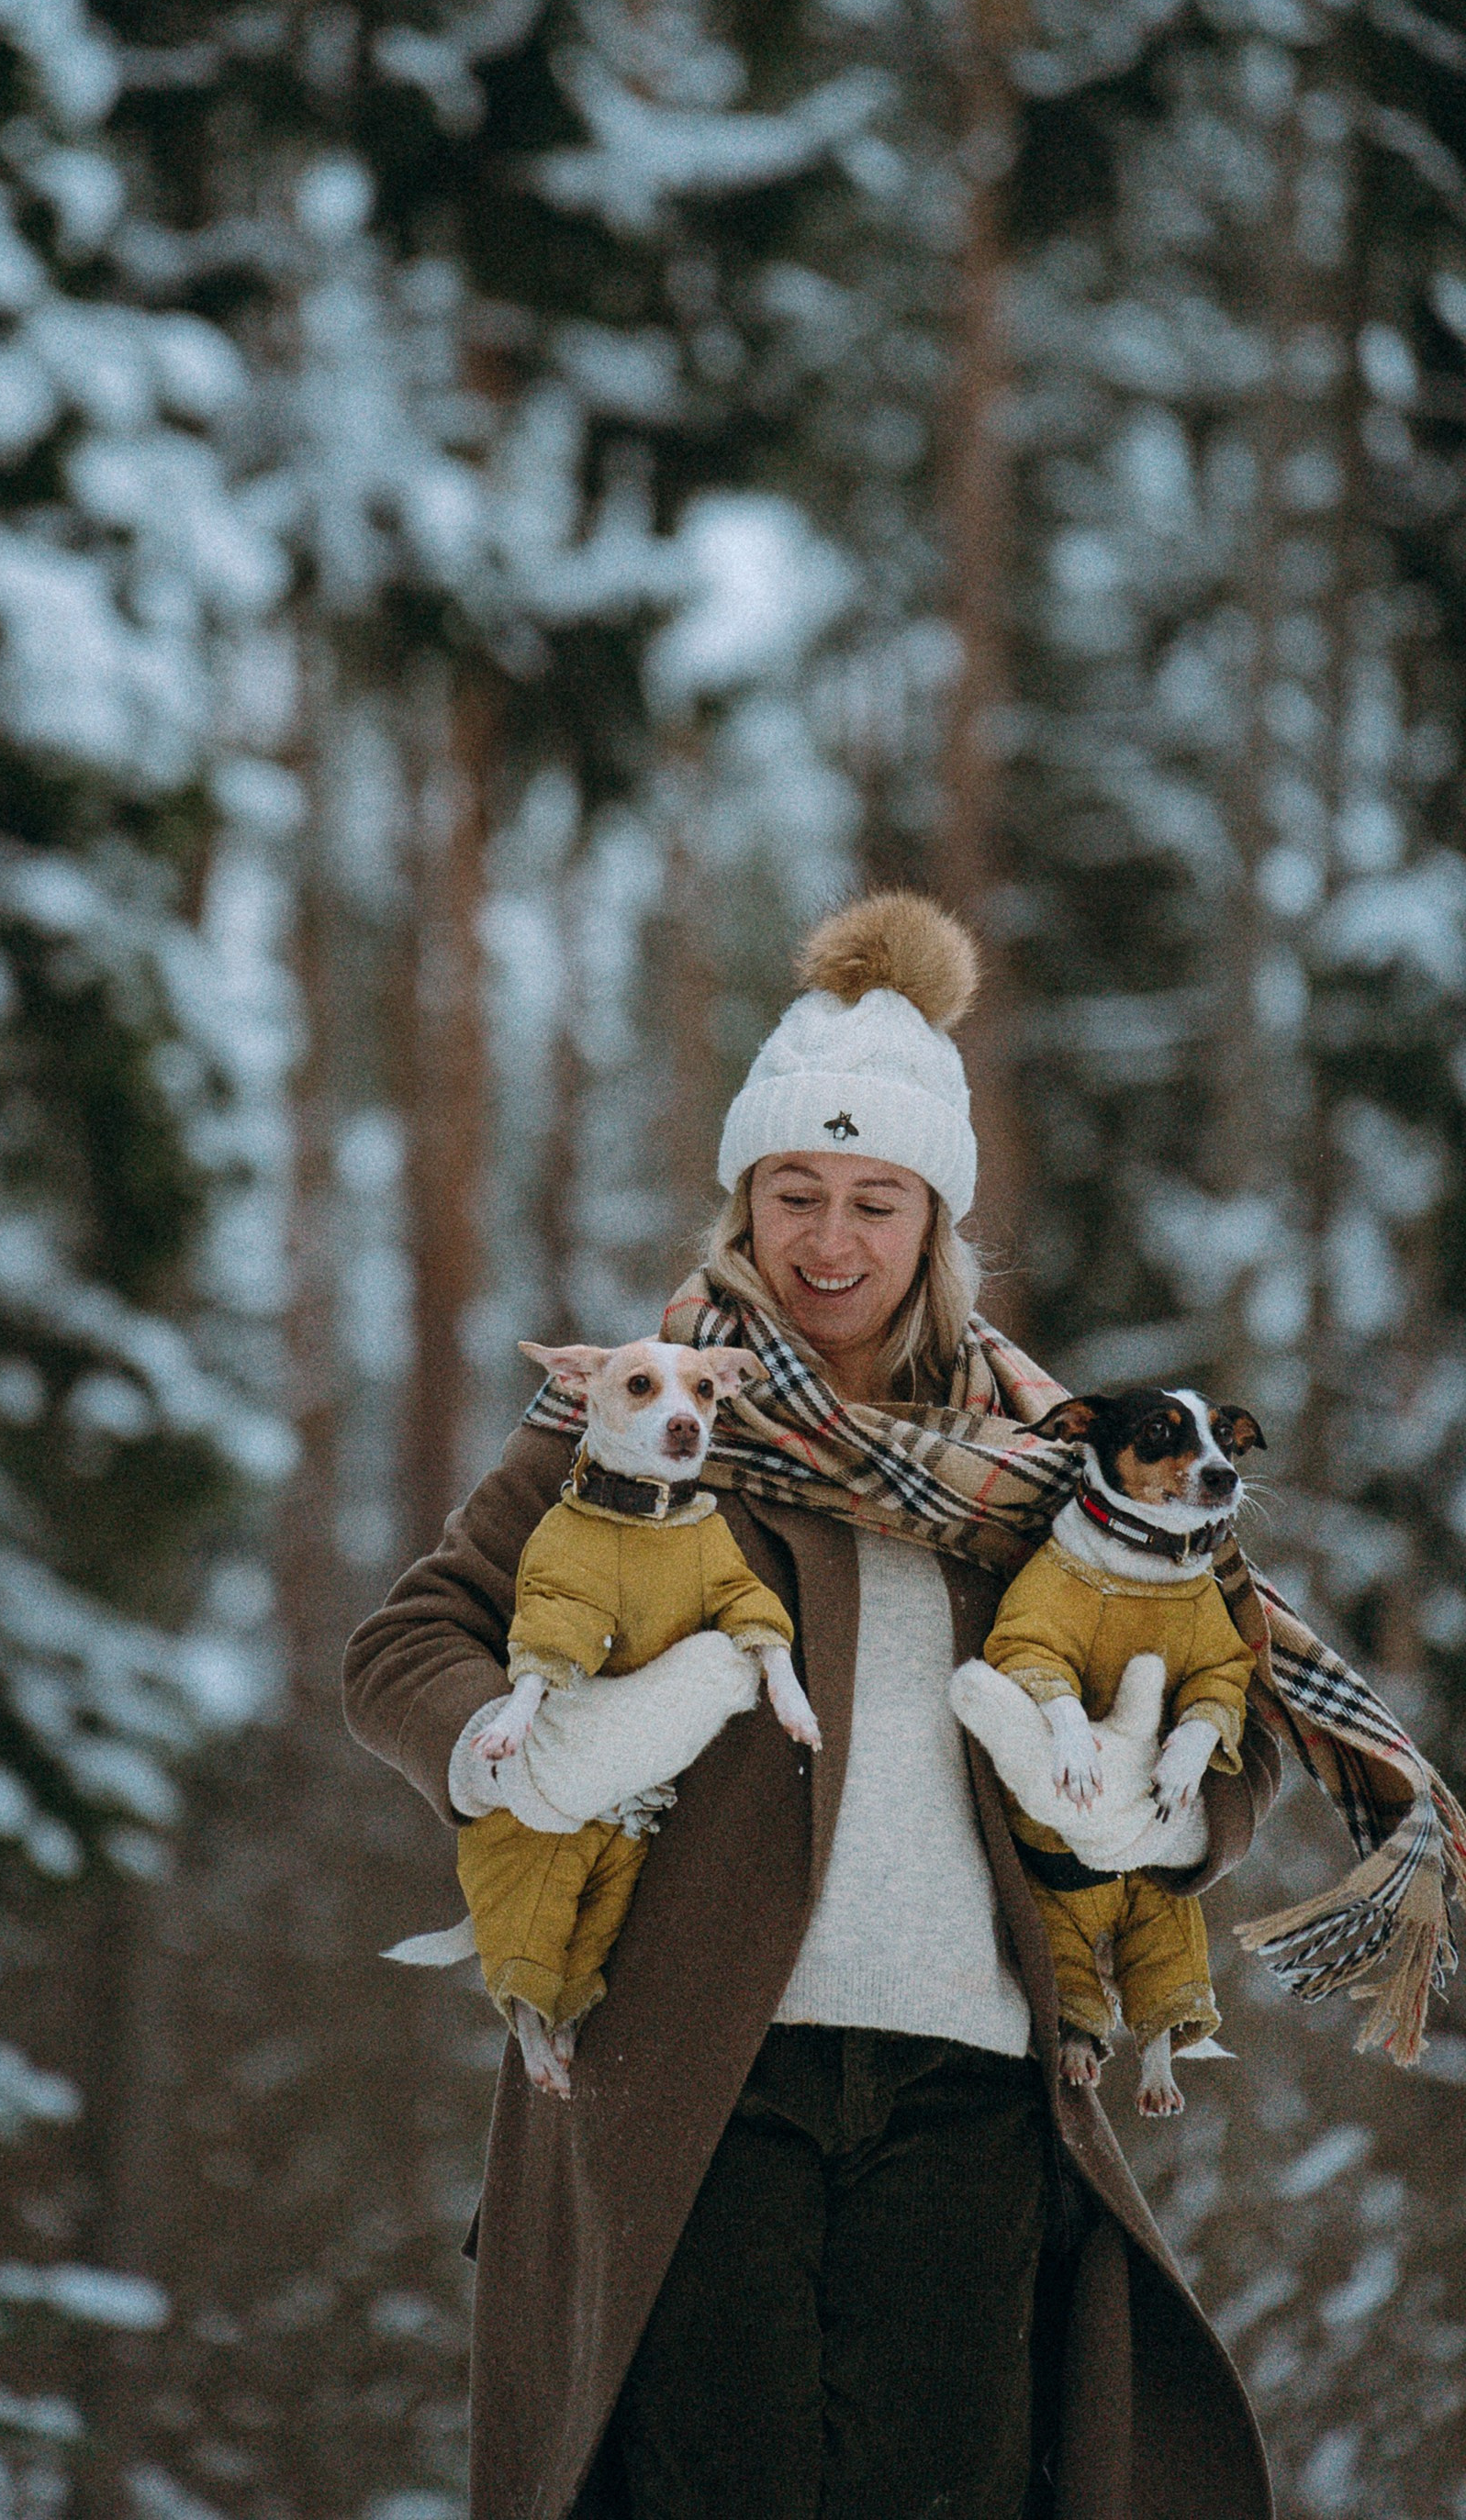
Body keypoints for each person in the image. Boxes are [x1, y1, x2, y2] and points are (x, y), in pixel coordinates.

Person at [343, 889, 1280, 2520]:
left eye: (874, 1200)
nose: (829, 1242)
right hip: (698, 2073)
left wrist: (1170, 1804)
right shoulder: (635, 1413)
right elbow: (408, 1643)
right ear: (743, 1200)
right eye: (794, 1192)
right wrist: (511, 1752)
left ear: (935, 1223)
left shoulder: (1057, 1468)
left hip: (980, 2083)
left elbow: (1243, 1697)